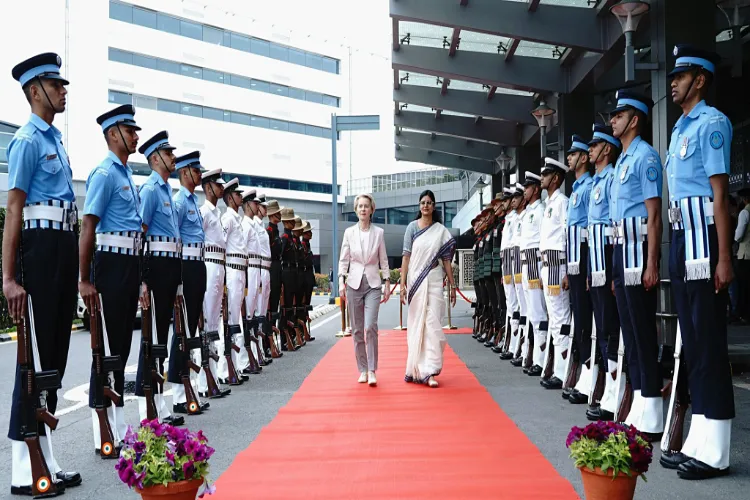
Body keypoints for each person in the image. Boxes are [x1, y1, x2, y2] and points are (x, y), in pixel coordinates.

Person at [5, 52, 81, 495]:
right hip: (38, 252)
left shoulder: (54, 140)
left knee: (51, 360)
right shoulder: (28, 141)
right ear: (35, 90)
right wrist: (9, 279)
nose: (63, 90)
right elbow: (13, 210)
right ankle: (22, 470)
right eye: (56, 84)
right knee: (30, 365)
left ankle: (46, 459)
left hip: (60, 251)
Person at [659, 45, 734, 479]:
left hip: (705, 239)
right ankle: (701, 438)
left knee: (708, 339)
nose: (673, 81)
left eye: (680, 75)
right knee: (691, 337)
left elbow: (720, 196)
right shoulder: (681, 127)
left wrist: (725, 257)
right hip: (682, 237)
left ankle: (717, 448)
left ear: (700, 80)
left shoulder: (713, 123)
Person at [81, 104, 143, 457]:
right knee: (104, 349)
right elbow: (88, 226)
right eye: (130, 131)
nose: (135, 136)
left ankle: (118, 427)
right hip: (110, 265)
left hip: (129, 264)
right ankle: (102, 431)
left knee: (119, 347)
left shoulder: (125, 175)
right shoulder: (104, 173)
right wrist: (84, 278)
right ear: (113, 133)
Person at [609, 90, 664, 440]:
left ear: (635, 119)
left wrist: (652, 262)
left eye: (619, 114)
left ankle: (654, 407)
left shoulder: (645, 157)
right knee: (629, 328)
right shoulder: (622, 160)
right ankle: (642, 401)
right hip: (619, 248)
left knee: (643, 329)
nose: (613, 120)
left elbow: (655, 215)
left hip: (639, 248)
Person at [135, 131, 184, 426]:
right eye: (169, 153)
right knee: (150, 341)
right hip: (154, 269)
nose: (173, 157)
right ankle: (146, 407)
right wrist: (142, 279)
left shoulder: (166, 189)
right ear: (155, 158)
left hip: (169, 270)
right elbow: (140, 235)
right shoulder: (151, 190)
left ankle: (159, 402)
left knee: (161, 342)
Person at [582, 124, 622, 420]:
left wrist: (610, 270)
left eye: (595, 145)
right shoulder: (597, 181)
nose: (590, 150)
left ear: (607, 149)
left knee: (610, 325)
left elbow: (613, 225)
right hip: (594, 263)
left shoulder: (610, 179)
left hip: (607, 258)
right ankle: (608, 387)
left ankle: (614, 388)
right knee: (601, 324)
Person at [401, 190, 456, 388]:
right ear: (419, 206)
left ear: (434, 206)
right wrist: (402, 285)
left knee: (433, 325)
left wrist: (452, 285)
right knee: (417, 325)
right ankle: (416, 368)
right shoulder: (411, 228)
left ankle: (430, 370)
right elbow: (406, 258)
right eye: (423, 202)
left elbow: (447, 261)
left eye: (429, 202)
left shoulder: (440, 230)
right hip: (416, 281)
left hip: (434, 279)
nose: (426, 205)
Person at [168, 151, 209, 414]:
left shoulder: (193, 201)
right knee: (181, 331)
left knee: (191, 328)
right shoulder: (180, 201)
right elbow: (175, 236)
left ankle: (188, 386)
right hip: (185, 265)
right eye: (196, 171)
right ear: (184, 172)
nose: (199, 175)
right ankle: (178, 393)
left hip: (198, 265)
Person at [339, 194, 390, 385]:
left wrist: (386, 281)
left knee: (370, 327)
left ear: (371, 210)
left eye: (366, 206)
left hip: (373, 285)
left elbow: (383, 259)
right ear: (356, 210)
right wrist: (341, 281)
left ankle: (372, 369)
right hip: (353, 284)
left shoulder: (379, 233)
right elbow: (344, 259)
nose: (362, 209)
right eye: (359, 206)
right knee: (358, 330)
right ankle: (362, 369)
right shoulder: (349, 233)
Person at [563, 135, 594, 400]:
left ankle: (589, 376)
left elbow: (589, 231)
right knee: (578, 316)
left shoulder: (588, 187)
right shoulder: (576, 189)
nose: (569, 158)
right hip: (574, 261)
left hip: (584, 257)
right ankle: (584, 373)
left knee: (586, 319)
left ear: (584, 157)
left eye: (574, 154)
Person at [198, 169, 231, 398]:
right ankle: (203, 381)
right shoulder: (204, 212)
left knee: (215, 320)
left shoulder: (217, 212)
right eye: (218, 185)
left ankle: (213, 376)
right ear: (208, 187)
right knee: (207, 322)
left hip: (219, 265)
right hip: (209, 264)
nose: (222, 189)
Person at [539, 158, 571, 390]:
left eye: (546, 174)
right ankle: (558, 367)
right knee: (553, 316)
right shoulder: (549, 204)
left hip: (558, 264)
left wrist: (568, 270)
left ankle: (564, 370)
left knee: (561, 317)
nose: (542, 178)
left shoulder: (562, 202)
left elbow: (567, 236)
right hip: (546, 264)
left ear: (556, 178)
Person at [519, 172, 549, 376]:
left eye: (528, 188)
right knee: (530, 311)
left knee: (539, 312)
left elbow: (541, 241)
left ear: (536, 189)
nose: (525, 191)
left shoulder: (540, 211)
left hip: (535, 262)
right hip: (525, 262)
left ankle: (541, 357)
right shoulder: (528, 212)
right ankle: (535, 355)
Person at [219, 178, 249, 383]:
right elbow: (221, 245)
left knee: (236, 320)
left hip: (240, 270)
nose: (241, 197)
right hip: (231, 269)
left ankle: (236, 365)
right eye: (238, 195)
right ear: (230, 197)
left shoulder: (236, 219)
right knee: (228, 321)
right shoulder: (228, 219)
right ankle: (223, 370)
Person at [265, 200, 285, 354]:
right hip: (271, 268)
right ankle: (267, 343)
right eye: (277, 212)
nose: (280, 214)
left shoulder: (276, 231)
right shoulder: (269, 231)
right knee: (270, 306)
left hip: (278, 268)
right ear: (272, 214)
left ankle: (273, 343)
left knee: (276, 304)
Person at [736, 189, 750, 323]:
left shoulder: (745, 212)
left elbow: (739, 235)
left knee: (743, 287)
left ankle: (743, 315)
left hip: (745, 255)